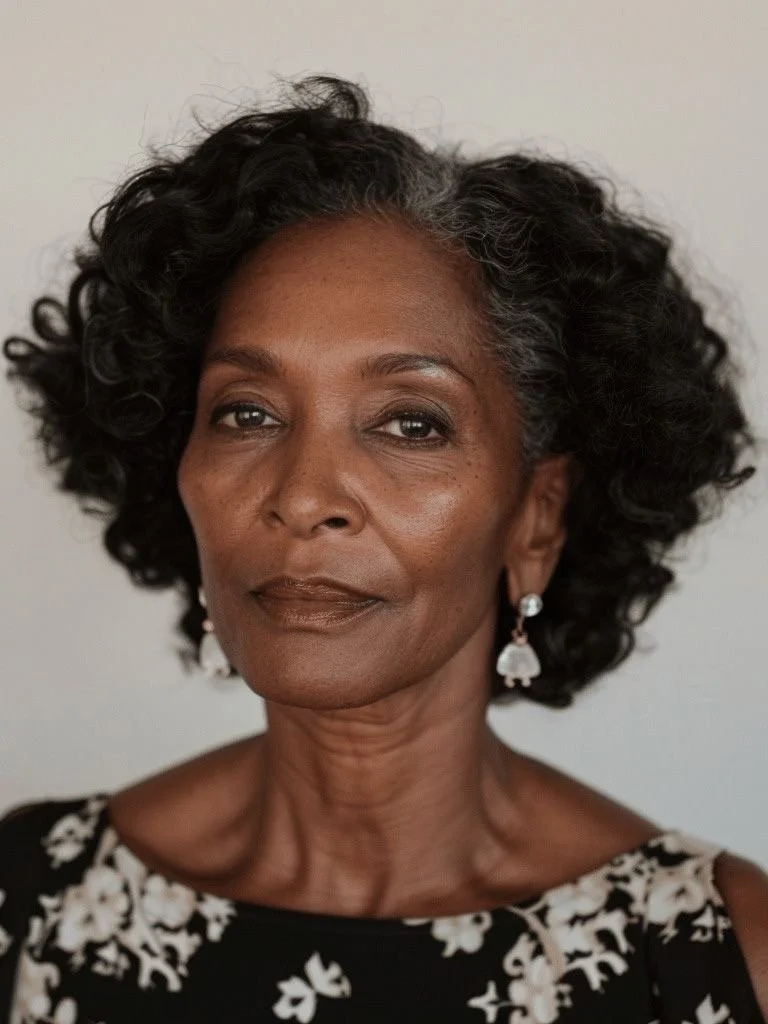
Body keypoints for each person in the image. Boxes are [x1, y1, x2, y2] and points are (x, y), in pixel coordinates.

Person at [0, 73, 766, 1024]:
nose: (302, 498)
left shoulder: (707, 959)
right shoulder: (32, 904)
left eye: (411, 423)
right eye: (247, 413)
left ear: (535, 517)